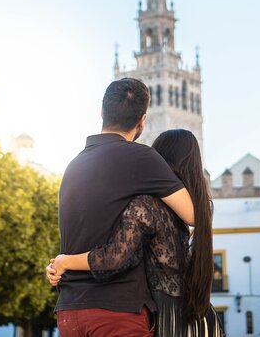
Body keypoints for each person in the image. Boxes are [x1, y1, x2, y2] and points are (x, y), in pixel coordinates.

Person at [53, 78, 196, 336]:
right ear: (142, 121)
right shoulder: (141, 157)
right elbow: (193, 214)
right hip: (116, 312)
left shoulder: (73, 166)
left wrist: (61, 263)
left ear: (101, 113)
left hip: (68, 312)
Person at [48, 129, 224, 337]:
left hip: (167, 320)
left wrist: (64, 262)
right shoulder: (192, 211)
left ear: (159, 161)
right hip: (201, 321)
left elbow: (114, 257)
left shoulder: (147, 206)